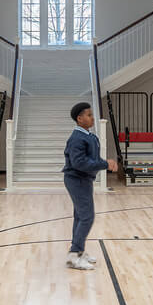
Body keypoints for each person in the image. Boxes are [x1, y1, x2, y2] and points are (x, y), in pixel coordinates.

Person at [63, 102, 117, 271]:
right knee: (87, 217)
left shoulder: (88, 135)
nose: (92, 117)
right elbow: (79, 163)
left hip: (83, 180)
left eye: (92, 114)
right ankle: (74, 254)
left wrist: (102, 164)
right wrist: (105, 164)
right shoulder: (77, 138)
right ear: (79, 119)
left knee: (80, 216)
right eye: (88, 115)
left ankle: (78, 252)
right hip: (76, 179)